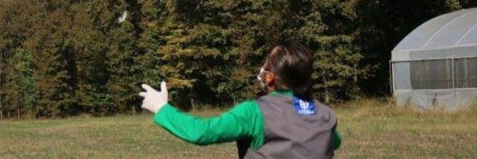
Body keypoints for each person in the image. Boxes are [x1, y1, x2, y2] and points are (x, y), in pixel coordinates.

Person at [139, 42, 341, 158]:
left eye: (266, 64)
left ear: (269, 77)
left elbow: (202, 132)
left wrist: (161, 108)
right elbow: (333, 141)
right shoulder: (325, 115)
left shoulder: (254, 112)